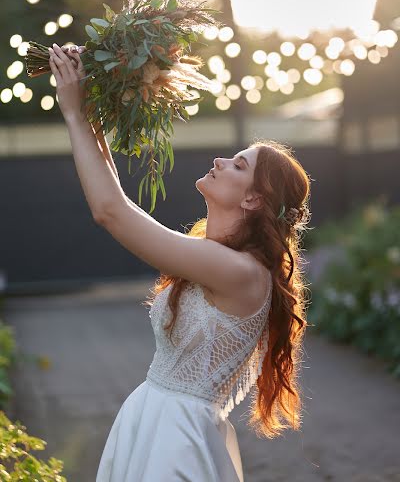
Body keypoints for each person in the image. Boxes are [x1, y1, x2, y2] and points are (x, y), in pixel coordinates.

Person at [50, 43, 312, 482]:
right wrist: (91, 109)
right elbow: (119, 202)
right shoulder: (223, 259)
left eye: (237, 164)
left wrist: (74, 115)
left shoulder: (242, 272)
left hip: (177, 438)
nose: (219, 160)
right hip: (151, 419)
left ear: (253, 198)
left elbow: (110, 212)